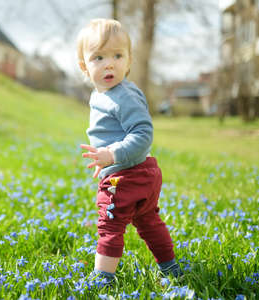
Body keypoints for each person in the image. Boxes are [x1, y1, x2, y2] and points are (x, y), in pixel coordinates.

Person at [77, 18, 182, 284]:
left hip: (125, 177)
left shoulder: (123, 95)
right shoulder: (102, 94)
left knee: (110, 224)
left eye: (117, 55)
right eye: (98, 57)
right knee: (148, 221)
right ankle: (171, 269)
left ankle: (103, 279)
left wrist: (112, 155)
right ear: (84, 67)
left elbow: (143, 134)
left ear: (129, 61)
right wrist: (107, 159)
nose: (109, 63)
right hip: (141, 173)